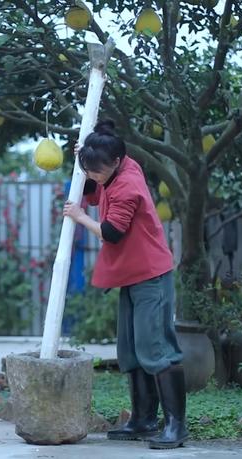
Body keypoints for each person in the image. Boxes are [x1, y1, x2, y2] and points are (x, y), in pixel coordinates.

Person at [62, 120, 188, 450]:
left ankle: (177, 425)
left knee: (156, 348)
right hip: (130, 273)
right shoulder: (117, 163)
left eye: (97, 171)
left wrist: (78, 217)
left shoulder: (128, 184)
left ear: (117, 162)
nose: (93, 176)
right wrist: (84, 159)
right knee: (131, 350)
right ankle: (144, 419)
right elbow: (93, 189)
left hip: (150, 274)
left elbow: (112, 232)